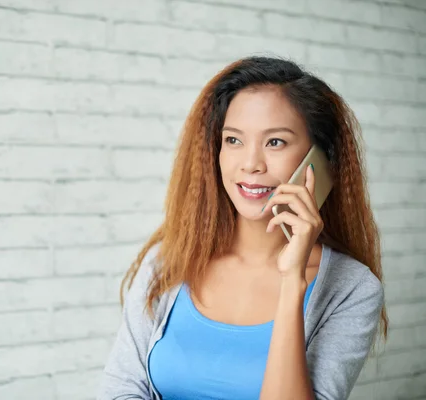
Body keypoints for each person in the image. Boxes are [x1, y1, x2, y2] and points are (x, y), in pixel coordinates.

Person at [97, 56, 388, 400]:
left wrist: (292, 281)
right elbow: (121, 390)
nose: (251, 164)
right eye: (233, 140)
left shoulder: (353, 289)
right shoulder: (168, 261)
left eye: (275, 142)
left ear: (318, 160)